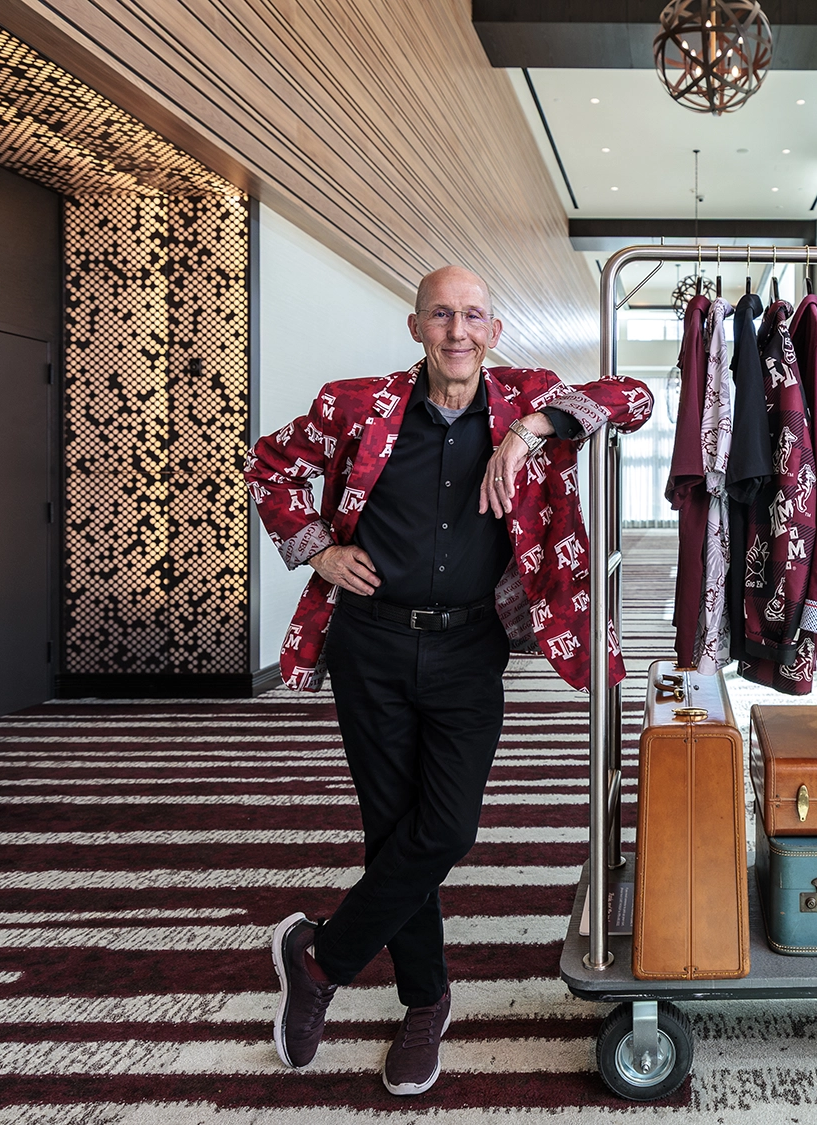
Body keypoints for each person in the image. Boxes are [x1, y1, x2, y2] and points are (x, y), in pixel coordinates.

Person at [243, 265, 651, 1095]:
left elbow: (636, 396)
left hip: (470, 651)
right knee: (394, 831)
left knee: (447, 828)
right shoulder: (354, 403)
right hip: (372, 647)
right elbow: (269, 465)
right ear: (415, 326)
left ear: (493, 330)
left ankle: (318, 959)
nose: (456, 331)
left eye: (471, 316)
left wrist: (530, 427)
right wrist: (319, 548)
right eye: (441, 315)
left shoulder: (524, 396)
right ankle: (426, 1003)